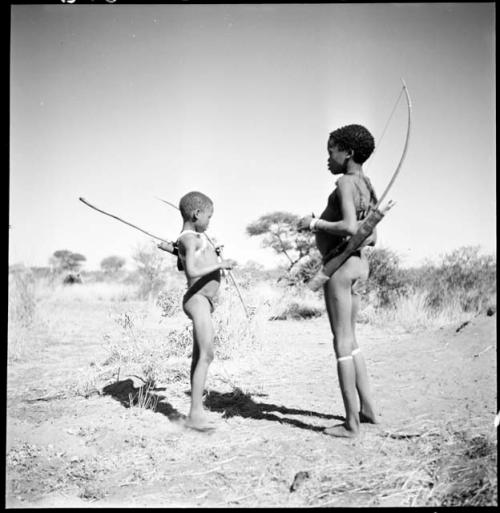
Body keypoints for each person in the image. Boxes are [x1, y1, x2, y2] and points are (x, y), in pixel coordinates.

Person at [297, 124, 379, 438]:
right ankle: (368, 409)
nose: (328, 157)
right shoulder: (366, 184)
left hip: (341, 270)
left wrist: (313, 222)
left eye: (331, 150)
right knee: (352, 340)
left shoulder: (346, 182)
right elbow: (370, 233)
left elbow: (348, 226)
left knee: (341, 343)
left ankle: (351, 424)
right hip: (358, 266)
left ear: (348, 153)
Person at [174, 191, 233, 432]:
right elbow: (190, 270)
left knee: (200, 356)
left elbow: (182, 263)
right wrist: (220, 263)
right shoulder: (189, 239)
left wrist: (213, 250)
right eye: (209, 216)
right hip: (197, 300)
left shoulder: (193, 238)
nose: (210, 221)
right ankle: (195, 415)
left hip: (204, 301)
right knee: (207, 354)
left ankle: (195, 411)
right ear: (196, 214)